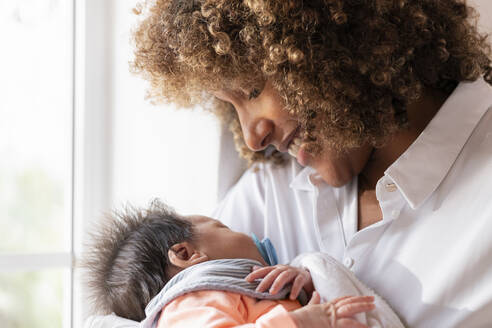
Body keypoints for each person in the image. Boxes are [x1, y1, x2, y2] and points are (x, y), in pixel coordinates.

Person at [93, 0, 492, 327]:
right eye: (232, 107)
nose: (252, 137)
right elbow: (156, 307)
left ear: (333, 45)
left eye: (252, 89)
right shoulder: (271, 190)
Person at [82, 200, 385, 328]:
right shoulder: (189, 300)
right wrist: (299, 321)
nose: (250, 235)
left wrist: (303, 281)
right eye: (223, 228)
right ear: (187, 255)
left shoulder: (242, 290)